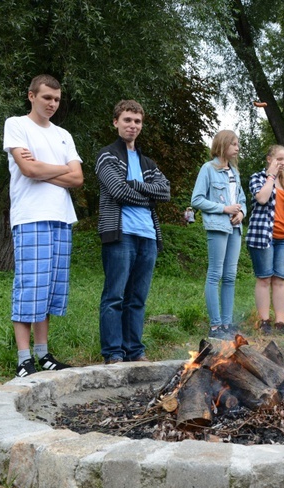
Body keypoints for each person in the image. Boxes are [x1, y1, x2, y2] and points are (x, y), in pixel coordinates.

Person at [3, 74, 84, 377]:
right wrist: (56, 168)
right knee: (30, 287)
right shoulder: (17, 125)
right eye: (47, 97)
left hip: (61, 217)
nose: (52, 104)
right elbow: (27, 168)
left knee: (49, 290)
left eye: (57, 99)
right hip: (31, 216)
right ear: (31, 96)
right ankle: (24, 359)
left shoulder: (63, 134)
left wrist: (41, 169)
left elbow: (77, 178)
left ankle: (43, 353)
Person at [95, 99, 170, 364]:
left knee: (137, 298)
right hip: (120, 233)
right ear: (116, 122)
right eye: (127, 120)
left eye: (137, 121)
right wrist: (148, 195)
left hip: (148, 235)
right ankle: (113, 353)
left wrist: (137, 188)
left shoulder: (147, 162)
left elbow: (166, 191)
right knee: (115, 295)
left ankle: (135, 351)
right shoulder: (107, 155)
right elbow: (117, 190)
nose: (133, 125)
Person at [191, 130, 247, 340]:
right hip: (218, 226)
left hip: (235, 228)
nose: (237, 147)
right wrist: (224, 209)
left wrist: (241, 213)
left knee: (230, 276)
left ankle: (227, 324)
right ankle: (215, 326)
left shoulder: (235, 172)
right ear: (223, 145)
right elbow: (196, 200)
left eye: (237, 144)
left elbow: (242, 200)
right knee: (215, 274)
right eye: (233, 144)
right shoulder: (208, 169)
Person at [246, 145, 284, 333]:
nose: (282, 163)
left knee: (280, 279)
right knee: (264, 278)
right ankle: (264, 321)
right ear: (269, 159)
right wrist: (271, 176)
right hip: (263, 235)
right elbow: (262, 199)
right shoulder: (258, 178)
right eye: (279, 159)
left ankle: (280, 322)